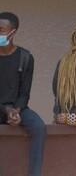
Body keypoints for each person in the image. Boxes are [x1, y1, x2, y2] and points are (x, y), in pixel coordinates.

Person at [0, 12, 46, 176]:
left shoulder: (25, 58)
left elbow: (25, 92)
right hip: (2, 108)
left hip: (17, 108)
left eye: (1, 29)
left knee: (38, 126)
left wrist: (16, 111)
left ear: (13, 32)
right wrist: (6, 110)